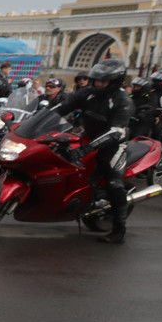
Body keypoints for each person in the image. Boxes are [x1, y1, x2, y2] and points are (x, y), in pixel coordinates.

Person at [54, 58, 132, 244]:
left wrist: (87, 149)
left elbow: (116, 131)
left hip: (113, 145)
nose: (98, 84)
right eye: (96, 80)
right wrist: (38, 118)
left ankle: (119, 229)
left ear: (114, 82)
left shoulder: (123, 101)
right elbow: (62, 108)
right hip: (86, 138)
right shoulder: (88, 93)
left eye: (102, 81)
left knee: (114, 183)